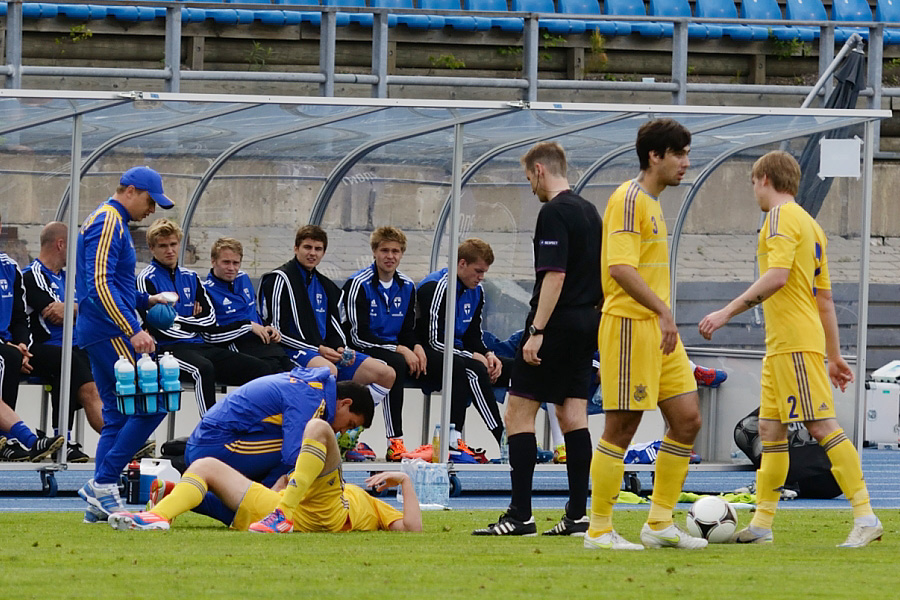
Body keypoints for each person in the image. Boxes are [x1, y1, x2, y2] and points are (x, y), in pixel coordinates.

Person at [698, 150, 882, 548]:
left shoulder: (779, 219)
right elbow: (825, 299)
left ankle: (865, 514)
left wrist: (727, 312)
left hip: (794, 344)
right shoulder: (811, 225)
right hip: (786, 345)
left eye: (752, 184)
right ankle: (762, 525)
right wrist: (833, 355)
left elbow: (777, 277)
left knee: (819, 426)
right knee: (770, 430)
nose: (754, 193)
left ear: (764, 179)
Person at [585, 119, 707, 551]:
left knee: (688, 419)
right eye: (679, 154)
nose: (686, 164)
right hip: (631, 326)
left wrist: (663, 316)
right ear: (655, 156)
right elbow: (619, 268)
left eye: (687, 154)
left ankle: (658, 524)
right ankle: (598, 529)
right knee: (622, 425)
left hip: (658, 329)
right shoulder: (628, 199)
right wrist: (662, 311)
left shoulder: (653, 202)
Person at [473, 142, 601, 537]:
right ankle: (579, 513)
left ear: (541, 170)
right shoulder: (590, 211)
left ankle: (520, 514)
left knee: (517, 413)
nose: (530, 186)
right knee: (572, 416)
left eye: (529, 177)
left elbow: (555, 275)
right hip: (587, 324)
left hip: (556, 326)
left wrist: (537, 331)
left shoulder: (554, 212)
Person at [75, 166, 178, 523]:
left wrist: (147, 301)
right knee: (155, 404)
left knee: (118, 415)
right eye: (151, 201)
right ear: (131, 191)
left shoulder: (109, 220)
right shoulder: (108, 221)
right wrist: (132, 327)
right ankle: (102, 482)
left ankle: (99, 503)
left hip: (100, 329)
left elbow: (111, 285)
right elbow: (99, 284)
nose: (152, 210)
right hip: (110, 331)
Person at [108, 418, 422, 533]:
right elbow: (285, 483)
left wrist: (405, 480)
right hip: (277, 508)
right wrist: (281, 490)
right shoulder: (347, 489)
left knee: (317, 428)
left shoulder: (375, 507)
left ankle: (282, 516)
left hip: (326, 513)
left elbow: (412, 528)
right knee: (203, 464)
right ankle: (157, 517)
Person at [137, 219, 272, 416]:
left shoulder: (191, 277)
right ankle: (210, 430)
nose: (170, 250)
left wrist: (178, 319)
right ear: (151, 248)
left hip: (200, 345)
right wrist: (192, 323)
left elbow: (209, 319)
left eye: (173, 244)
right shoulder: (146, 279)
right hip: (168, 349)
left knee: (261, 368)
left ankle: (250, 425)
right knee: (203, 369)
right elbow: (158, 326)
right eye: (163, 246)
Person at [257, 224, 395, 409]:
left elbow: (334, 326)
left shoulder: (326, 285)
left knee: (386, 373)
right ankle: (328, 423)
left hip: (324, 352)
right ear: (296, 248)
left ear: (323, 252)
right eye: (307, 247)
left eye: (318, 249)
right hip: (292, 350)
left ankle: (350, 425)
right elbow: (276, 331)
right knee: (327, 371)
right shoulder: (279, 279)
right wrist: (318, 349)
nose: (312, 253)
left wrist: (340, 348)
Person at [416, 238, 508, 462]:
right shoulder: (436, 287)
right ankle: (499, 437)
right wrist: (472, 356)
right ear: (462, 264)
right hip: (425, 352)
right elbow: (432, 340)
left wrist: (488, 354)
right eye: (478, 271)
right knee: (471, 368)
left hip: (456, 353)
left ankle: (517, 435)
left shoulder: (477, 291)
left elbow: (473, 335)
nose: (481, 277)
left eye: (484, 272)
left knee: (510, 367)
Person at [22, 221, 103, 463]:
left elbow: (94, 309)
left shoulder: (71, 279)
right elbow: (55, 315)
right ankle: (117, 439)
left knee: (96, 365)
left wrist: (75, 307)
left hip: (75, 347)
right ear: (61, 244)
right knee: (69, 363)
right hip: (40, 348)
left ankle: (63, 439)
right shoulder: (32, 276)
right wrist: (77, 309)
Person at [342, 226, 426, 461]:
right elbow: (357, 335)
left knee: (417, 362)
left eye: (396, 251)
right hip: (360, 348)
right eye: (385, 250)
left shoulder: (408, 286)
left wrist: (416, 347)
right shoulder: (358, 284)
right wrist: (400, 349)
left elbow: (408, 331)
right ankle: (394, 442)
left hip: (391, 350)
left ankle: (350, 431)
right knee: (396, 364)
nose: (390, 256)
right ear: (375, 252)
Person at [0, 211, 64, 462]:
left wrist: (22, 343)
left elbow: (19, 317)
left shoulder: (9, 268)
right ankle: (20, 438)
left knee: (14, 356)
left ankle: (14, 439)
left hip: (7, 345)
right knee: (6, 359)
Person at [202, 237, 293, 374]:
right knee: (276, 376)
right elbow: (210, 335)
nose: (232, 268)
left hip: (265, 344)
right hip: (239, 347)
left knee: (296, 374)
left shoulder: (243, 278)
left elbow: (253, 312)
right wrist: (248, 326)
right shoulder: (205, 291)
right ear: (213, 261)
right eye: (226, 262)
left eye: (236, 263)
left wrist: (267, 326)